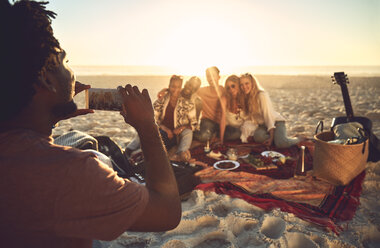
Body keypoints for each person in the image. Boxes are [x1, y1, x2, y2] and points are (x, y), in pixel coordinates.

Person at [0, 1, 181, 247]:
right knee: (96, 154)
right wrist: (148, 126)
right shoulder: (71, 172)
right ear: (45, 78)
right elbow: (167, 210)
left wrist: (46, 114)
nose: (71, 73)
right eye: (64, 62)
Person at [239, 73, 300, 148]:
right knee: (258, 137)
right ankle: (279, 137)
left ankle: (299, 138)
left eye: (246, 83)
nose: (244, 87)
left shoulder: (261, 95)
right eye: (241, 85)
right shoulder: (245, 97)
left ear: (252, 83)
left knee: (281, 143)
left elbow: (268, 116)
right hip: (263, 125)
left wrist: (271, 138)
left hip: (275, 122)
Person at [193, 66, 227, 144]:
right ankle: (191, 132)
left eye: (213, 75)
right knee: (204, 136)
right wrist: (167, 90)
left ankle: (214, 135)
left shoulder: (224, 91)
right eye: (208, 76)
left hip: (220, 122)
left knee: (236, 133)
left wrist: (221, 140)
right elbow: (187, 90)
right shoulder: (202, 91)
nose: (211, 78)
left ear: (219, 77)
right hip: (207, 121)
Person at [223, 75, 248, 141]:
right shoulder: (226, 100)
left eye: (233, 86)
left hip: (244, 129)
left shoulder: (246, 100)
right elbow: (223, 121)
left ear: (238, 86)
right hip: (229, 130)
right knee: (236, 134)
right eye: (228, 88)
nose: (231, 89)